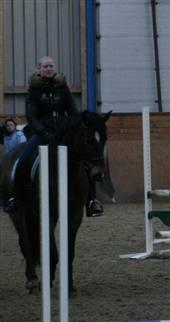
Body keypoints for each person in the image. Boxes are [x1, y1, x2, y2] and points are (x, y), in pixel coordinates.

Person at [2, 56, 104, 216]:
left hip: (64, 134)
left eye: (51, 66)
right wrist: (43, 132)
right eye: (45, 66)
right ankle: (16, 197)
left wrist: (76, 127)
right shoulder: (33, 91)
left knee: (85, 160)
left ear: (54, 68)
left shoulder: (63, 88)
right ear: (39, 70)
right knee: (24, 159)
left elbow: (72, 111)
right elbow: (31, 116)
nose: (48, 69)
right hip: (42, 133)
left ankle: (91, 201)